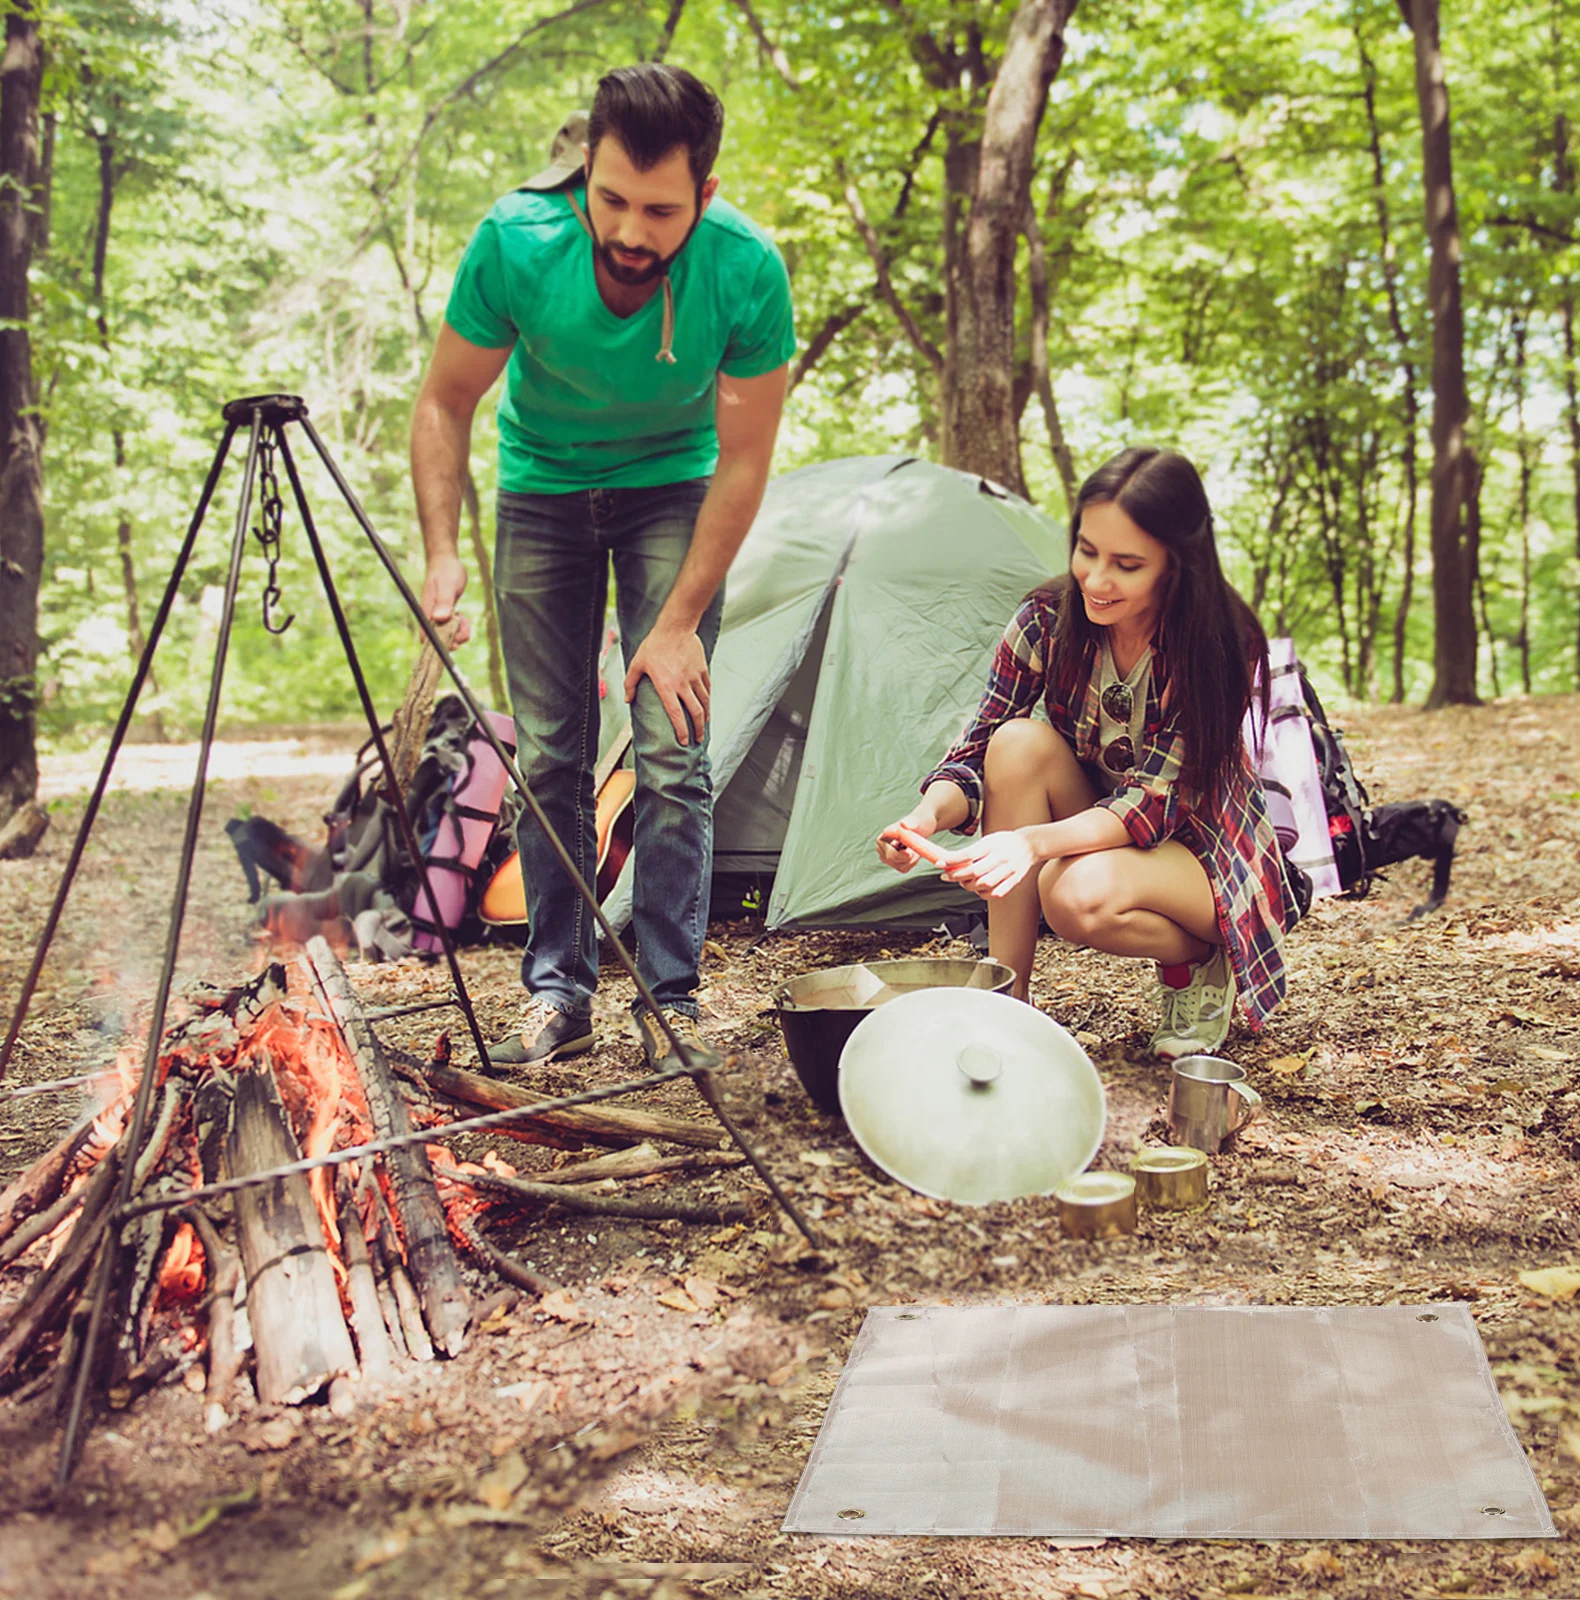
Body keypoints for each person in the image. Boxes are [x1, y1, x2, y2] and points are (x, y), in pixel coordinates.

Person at [410, 64, 794, 1071]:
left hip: (674, 488)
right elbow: (445, 401)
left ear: (703, 199)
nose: (626, 230)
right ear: (586, 170)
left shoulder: (746, 269)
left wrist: (672, 626)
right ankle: (557, 992)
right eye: (609, 197)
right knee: (549, 759)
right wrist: (442, 551)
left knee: (671, 750)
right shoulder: (518, 239)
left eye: (658, 210)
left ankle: (669, 1000)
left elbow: (746, 460)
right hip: (540, 494)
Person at [876, 447, 1298, 1060]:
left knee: (1074, 896)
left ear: (1175, 566)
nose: (1097, 581)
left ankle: (1203, 958)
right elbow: (975, 750)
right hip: (1105, 824)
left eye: (1127, 564)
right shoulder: (1046, 621)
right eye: (1087, 551)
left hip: (1207, 856)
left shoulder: (1214, 643)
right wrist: (924, 820)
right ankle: (1007, 1007)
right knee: (1016, 743)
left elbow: (1155, 805)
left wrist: (1029, 843)